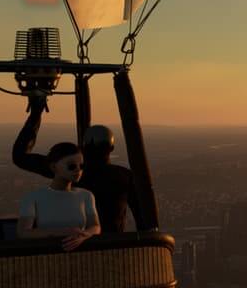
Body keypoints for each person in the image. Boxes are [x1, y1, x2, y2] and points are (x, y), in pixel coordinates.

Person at [13, 98, 149, 232]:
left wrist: (36, 114)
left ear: (83, 146)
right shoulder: (125, 177)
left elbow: (20, 157)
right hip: (111, 248)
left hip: (73, 246)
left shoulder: (69, 170)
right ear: (111, 148)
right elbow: (143, 219)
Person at [18, 142, 100, 251]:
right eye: (71, 166)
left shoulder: (86, 195)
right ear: (53, 167)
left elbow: (96, 227)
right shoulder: (32, 198)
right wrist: (64, 232)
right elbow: (23, 232)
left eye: (81, 166)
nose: (78, 170)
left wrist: (84, 235)